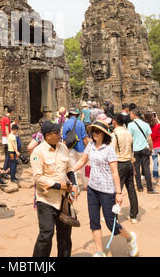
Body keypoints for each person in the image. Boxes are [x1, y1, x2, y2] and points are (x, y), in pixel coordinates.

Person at [73, 118, 139, 257]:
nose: (94, 133)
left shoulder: (109, 149)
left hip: (107, 191)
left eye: (98, 131)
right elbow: (82, 161)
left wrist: (119, 193)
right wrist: (70, 170)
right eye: (93, 131)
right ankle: (100, 251)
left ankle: (130, 238)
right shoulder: (90, 145)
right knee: (94, 221)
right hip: (92, 189)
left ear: (104, 134)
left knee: (111, 224)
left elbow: (115, 172)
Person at [31, 121, 78, 257]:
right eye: (57, 133)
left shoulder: (63, 147)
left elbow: (69, 168)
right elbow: (38, 178)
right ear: (48, 135)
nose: (60, 135)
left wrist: (73, 184)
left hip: (64, 199)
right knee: (46, 235)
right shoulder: (38, 152)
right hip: (46, 200)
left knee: (65, 236)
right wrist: (59, 186)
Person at [111, 113, 139, 224]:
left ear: (114, 121)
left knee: (117, 190)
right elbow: (131, 151)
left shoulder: (114, 135)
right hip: (128, 162)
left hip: (119, 163)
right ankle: (133, 215)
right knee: (131, 189)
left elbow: (111, 151)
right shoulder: (128, 133)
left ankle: (114, 217)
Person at [128, 109, 157, 194]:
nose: (130, 116)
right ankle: (149, 188)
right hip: (145, 148)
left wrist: (130, 149)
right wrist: (151, 148)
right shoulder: (146, 124)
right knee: (146, 168)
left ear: (134, 114)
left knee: (136, 168)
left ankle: (139, 187)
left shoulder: (130, 125)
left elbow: (130, 138)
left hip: (136, 149)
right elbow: (149, 139)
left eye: (130, 114)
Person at [62, 108, 89, 191]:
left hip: (70, 148)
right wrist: (88, 147)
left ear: (69, 115)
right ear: (76, 115)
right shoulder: (80, 123)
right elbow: (84, 137)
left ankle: (75, 186)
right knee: (84, 168)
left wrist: (64, 150)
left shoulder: (66, 124)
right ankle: (85, 186)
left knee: (73, 168)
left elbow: (64, 139)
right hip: (80, 148)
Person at [144, 111, 160, 187]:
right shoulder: (157, 125)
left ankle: (157, 179)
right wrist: (157, 118)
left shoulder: (147, 127)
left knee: (155, 163)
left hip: (153, 146)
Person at [0, 106, 14, 177]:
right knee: (8, 155)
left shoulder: (2, 118)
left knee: (7, 154)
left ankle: (7, 169)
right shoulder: (7, 119)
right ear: (11, 112)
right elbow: (6, 129)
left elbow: (1, 128)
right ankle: (4, 170)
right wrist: (10, 138)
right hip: (6, 137)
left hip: (3, 137)